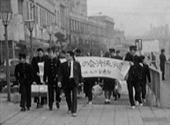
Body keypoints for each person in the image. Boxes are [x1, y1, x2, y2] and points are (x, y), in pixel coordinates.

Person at [58, 51, 83, 117]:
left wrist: (80, 82)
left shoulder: (77, 64)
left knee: (74, 96)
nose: (66, 57)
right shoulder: (63, 64)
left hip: (74, 81)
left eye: (68, 56)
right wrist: (59, 81)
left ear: (71, 57)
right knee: (67, 96)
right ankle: (70, 107)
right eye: (66, 56)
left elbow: (79, 73)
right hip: (66, 81)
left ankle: (74, 111)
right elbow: (60, 74)